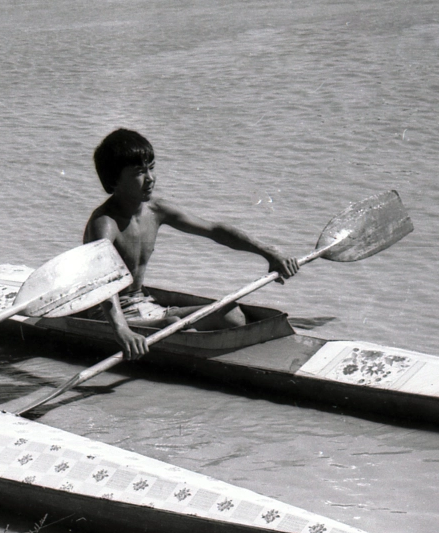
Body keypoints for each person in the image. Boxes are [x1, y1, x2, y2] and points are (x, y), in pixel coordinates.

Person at [83, 128, 299, 360]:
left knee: (232, 315)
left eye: (151, 168)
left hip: (145, 304)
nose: (150, 179)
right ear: (114, 180)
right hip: (108, 314)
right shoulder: (105, 224)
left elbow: (215, 231)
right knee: (175, 324)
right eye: (139, 172)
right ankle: (179, 336)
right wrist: (121, 330)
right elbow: (101, 283)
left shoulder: (156, 210)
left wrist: (268, 252)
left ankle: (177, 331)